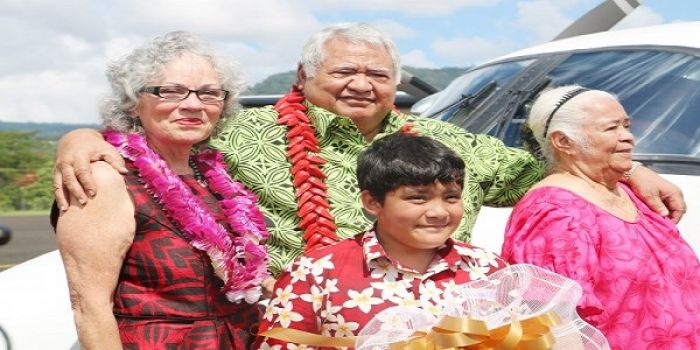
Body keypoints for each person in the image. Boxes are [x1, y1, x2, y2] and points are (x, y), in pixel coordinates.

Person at [52, 23, 685, 280]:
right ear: (303, 79)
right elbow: (157, 136)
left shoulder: (447, 142)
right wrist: (78, 138)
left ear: (395, 82)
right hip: (305, 327)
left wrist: (631, 169)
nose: (363, 84)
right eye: (345, 72)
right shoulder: (242, 132)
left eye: (378, 75)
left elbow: (547, 170)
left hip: (435, 328)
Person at [53, 31, 269, 349]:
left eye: (210, 94)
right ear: (131, 104)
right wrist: (75, 138)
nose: (194, 104)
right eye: (171, 91)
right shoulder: (107, 177)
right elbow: (90, 308)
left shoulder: (213, 173)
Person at [257, 133, 507, 348]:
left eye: (451, 197)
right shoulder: (315, 274)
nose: (439, 212)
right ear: (373, 202)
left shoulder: (488, 269)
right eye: (418, 198)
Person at [501, 86, 700, 349]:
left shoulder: (632, 192)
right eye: (612, 128)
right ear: (563, 142)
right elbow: (554, 326)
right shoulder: (554, 214)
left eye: (627, 126)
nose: (629, 137)